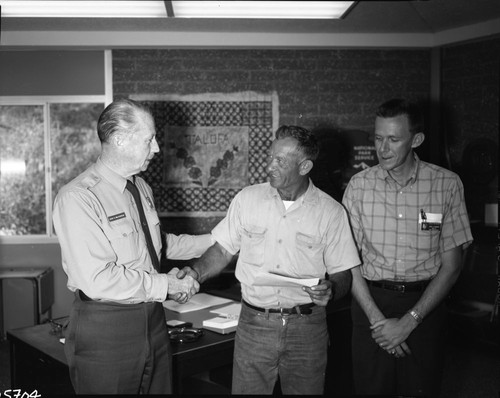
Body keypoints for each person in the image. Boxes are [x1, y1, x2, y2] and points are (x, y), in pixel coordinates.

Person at [176, 125, 361, 395]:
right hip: (254, 325)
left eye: (280, 161)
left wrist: (332, 289)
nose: (270, 165)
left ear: (305, 166)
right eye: (270, 156)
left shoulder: (331, 213)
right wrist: (195, 273)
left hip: (306, 330)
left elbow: (344, 273)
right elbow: (222, 250)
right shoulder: (247, 200)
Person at [52, 98, 211, 394]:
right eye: (149, 139)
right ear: (119, 140)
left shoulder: (140, 187)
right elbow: (98, 279)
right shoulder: (78, 198)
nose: (157, 149)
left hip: (153, 318)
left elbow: (157, 245)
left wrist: (220, 239)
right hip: (106, 326)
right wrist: (168, 285)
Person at [342, 98, 473, 397]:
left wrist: (410, 322)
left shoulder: (446, 184)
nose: (383, 149)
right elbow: (349, 262)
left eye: (393, 139)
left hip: (426, 307)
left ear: (416, 140)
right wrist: (378, 321)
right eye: (377, 138)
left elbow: (452, 266)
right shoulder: (359, 187)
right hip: (370, 304)